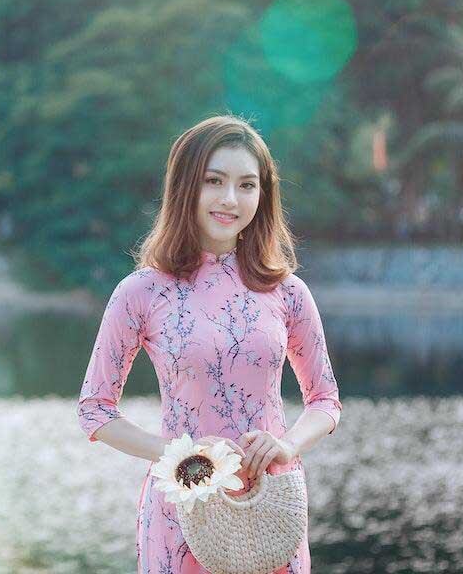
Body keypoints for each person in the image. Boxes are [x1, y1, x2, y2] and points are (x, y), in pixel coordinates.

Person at [76, 114, 342, 574]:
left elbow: (325, 400)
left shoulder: (288, 292)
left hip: (271, 510)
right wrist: (180, 455)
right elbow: (95, 410)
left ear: (263, 195)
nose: (230, 199)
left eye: (246, 185)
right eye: (214, 181)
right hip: (182, 510)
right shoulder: (142, 292)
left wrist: (287, 445)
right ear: (185, 187)